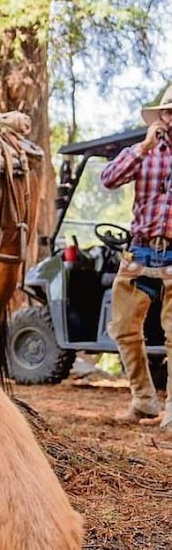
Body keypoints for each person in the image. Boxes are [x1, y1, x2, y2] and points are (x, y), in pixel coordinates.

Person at [101, 85, 172, 430]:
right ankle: (144, 401)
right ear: (160, 117)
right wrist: (143, 147)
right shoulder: (142, 151)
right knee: (124, 327)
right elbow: (108, 179)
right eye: (169, 112)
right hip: (141, 249)